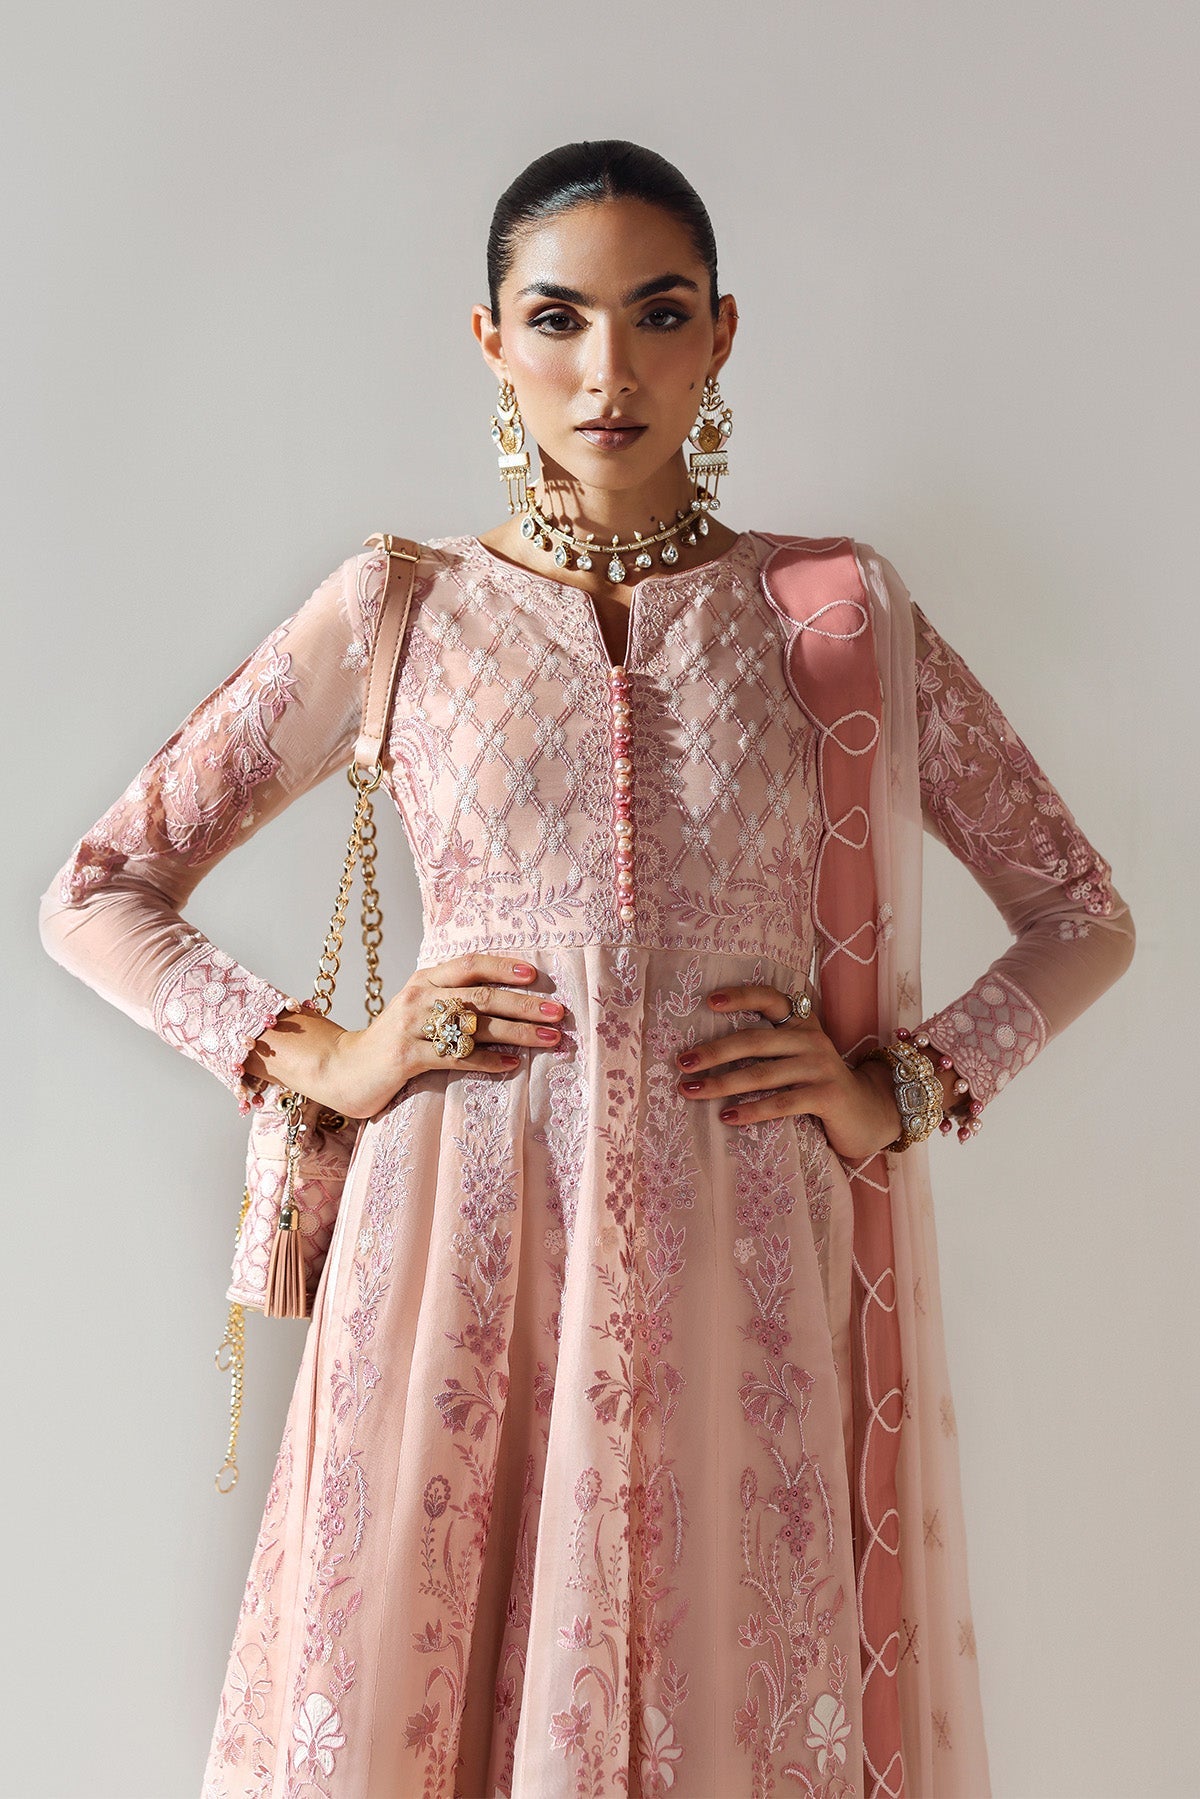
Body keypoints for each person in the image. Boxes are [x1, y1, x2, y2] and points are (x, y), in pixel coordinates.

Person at [38, 140, 1135, 1799]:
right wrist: (325, 1055)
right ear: (491, 340)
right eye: (557, 319)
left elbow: (1078, 909)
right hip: (457, 1251)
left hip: (740, 1250)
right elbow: (99, 890)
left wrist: (898, 1087)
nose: (608, 369)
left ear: (722, 332)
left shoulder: (829, 617)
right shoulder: (400, 610)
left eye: (658, 313)